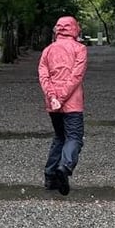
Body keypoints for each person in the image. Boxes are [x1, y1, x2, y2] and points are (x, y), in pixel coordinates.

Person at [37, 15, 87, 196]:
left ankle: (50, 177)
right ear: (74, 29)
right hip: (72, 103)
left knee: (59, 136)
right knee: (74, 137)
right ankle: (64, 167)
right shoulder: (80, 49)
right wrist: (63, 97)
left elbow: (43, 77)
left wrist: (53, 97)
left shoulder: (48, 50)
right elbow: (76, 76)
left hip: (53, 104)